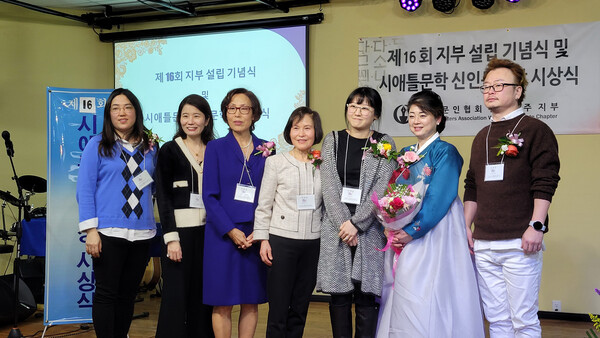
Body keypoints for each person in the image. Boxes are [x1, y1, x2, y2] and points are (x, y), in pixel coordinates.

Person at [375, 90, 485, 338]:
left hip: (436, 228)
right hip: (405, 228)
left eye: (422, 115)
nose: (415, 120)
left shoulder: (446, 151)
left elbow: (440, 197)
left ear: (438, 118)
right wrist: (390, 222)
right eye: (411, 115)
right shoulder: (404, 152)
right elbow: (394, 192)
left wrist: (412, 230)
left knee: (431, 286)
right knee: (404, 284)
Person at [464, 58, 560, 337]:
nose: (490, 91)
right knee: (497, 320)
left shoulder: (535, 129)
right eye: (486, 86)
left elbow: (545, 180)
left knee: (523, 319)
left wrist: (537, 225)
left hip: (520, 242)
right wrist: (465, 227)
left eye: (499, 85)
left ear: (518, 91)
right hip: (483, 243)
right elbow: (473, 185)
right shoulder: (481, 134)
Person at [76, 88, 158, 338]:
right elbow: (85, 189)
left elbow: (153, 186)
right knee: (106, 294)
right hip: (108, 231)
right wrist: (91, 231)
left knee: (128, 295)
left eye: (128, 107)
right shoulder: (98, 145)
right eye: (116, 108)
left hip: (142, 232)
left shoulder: (150, 148)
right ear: (108, 114)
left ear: (136, 111)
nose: (122, 113)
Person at [317, 87, 396, 338]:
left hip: (369, 230)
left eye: (364, 107)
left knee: (366, 296)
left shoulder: (384, 142)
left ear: (375, 114)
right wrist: (345, 224)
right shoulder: (333, 139)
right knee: (339, 296)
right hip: (336, 229)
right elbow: (328, 184)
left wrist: (357, 223)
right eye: (352, 105)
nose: (357, 111)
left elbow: (381, 187)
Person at [202, 88, 270, 338]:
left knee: (251, 299)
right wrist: (231, 231)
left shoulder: (266, 148)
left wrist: (261, 231)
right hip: (222, 235)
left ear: (254, 114)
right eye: (232, 108)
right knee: (222, 300)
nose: (237, 114)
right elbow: (209, 195)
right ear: (225, 113)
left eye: (244, 108)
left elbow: (271, 194)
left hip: (255, 235)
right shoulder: (215, 148)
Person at [254, 107, 324, 338]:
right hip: (282, 242)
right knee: (279, 309)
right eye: (296, 128)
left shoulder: (323, 164)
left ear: (316, 132)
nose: (301, 134)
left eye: (307, 128)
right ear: (289, 132)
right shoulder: (276, 163)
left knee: (300, 307)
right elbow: (264, 205)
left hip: (313, 243)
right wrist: (262, 239)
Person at [155, 94, 215, 337]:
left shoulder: (215, 149)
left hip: (209, 234)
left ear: (207, 120)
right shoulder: (169, 150)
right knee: (176, 296)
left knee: (203, 294)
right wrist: (171, 238)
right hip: (179, 235)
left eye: (197, 116)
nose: (191, 121)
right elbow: (163, 195)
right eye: (185, 116)